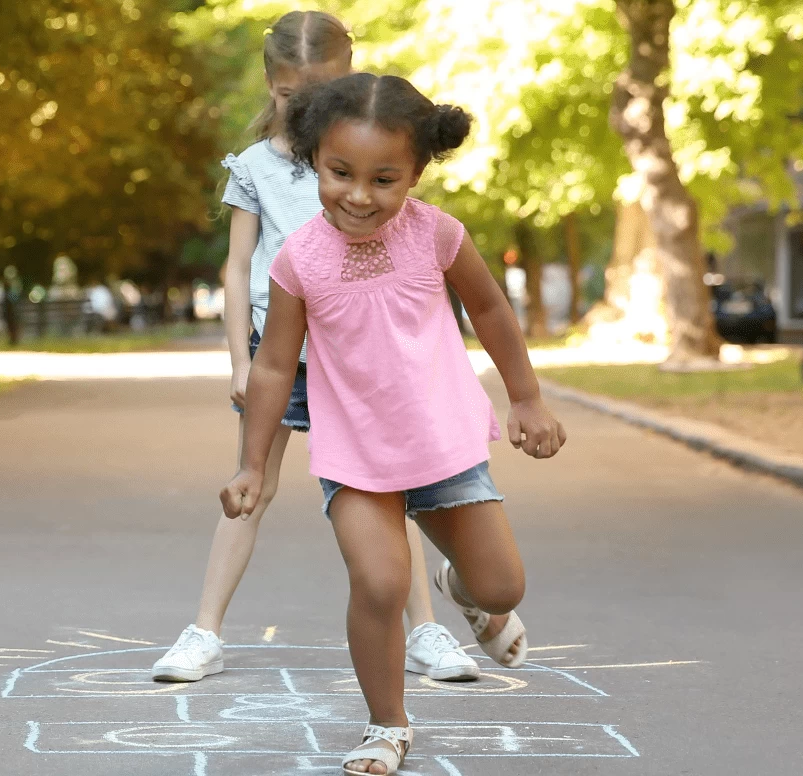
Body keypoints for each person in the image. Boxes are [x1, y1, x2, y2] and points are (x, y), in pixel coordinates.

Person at [221, 73, 566, 775]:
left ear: (416, 173)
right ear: (314, 159)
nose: (358, 195)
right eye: (339, 172)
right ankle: (386, 726)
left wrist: (526, 397)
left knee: (502, 587)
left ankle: (464, 592)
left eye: (384, 179)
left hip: (443, 445)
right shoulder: (299, 261)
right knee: (378, 584)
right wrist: (253, 463)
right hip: (356, 457)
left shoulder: (437, 234)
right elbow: (272, 366)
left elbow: (492, 311)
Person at [151, 11, 482, 690]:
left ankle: (426, 630)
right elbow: (237, 266)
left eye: (321, 94)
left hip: (363, 354)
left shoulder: (365, 156)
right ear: (270, 83)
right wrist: (240, 363)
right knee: (251, 484)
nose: (303, 110)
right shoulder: (253, 168)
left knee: (394, 489)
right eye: (290, 97)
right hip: (282, 351)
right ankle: (204, 631)